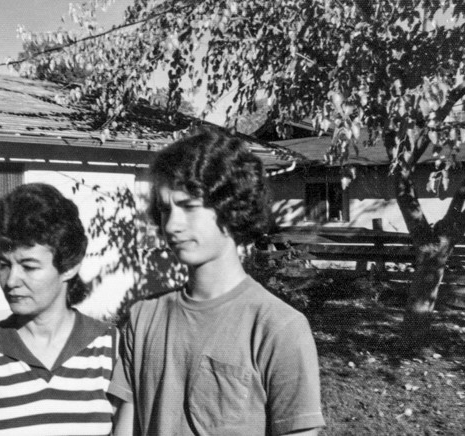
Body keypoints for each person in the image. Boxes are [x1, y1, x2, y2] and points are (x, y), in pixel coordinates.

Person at [108, 130, 325, 435]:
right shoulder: (142, 318)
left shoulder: (278, 327)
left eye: (189, 206)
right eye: (165, 209)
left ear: (231, 207)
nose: (171, 225)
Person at [0, 183, 117, 436]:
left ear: (69, 266)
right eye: (4, 264)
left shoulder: (109, 348)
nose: (11, 280)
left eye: (29, 266)